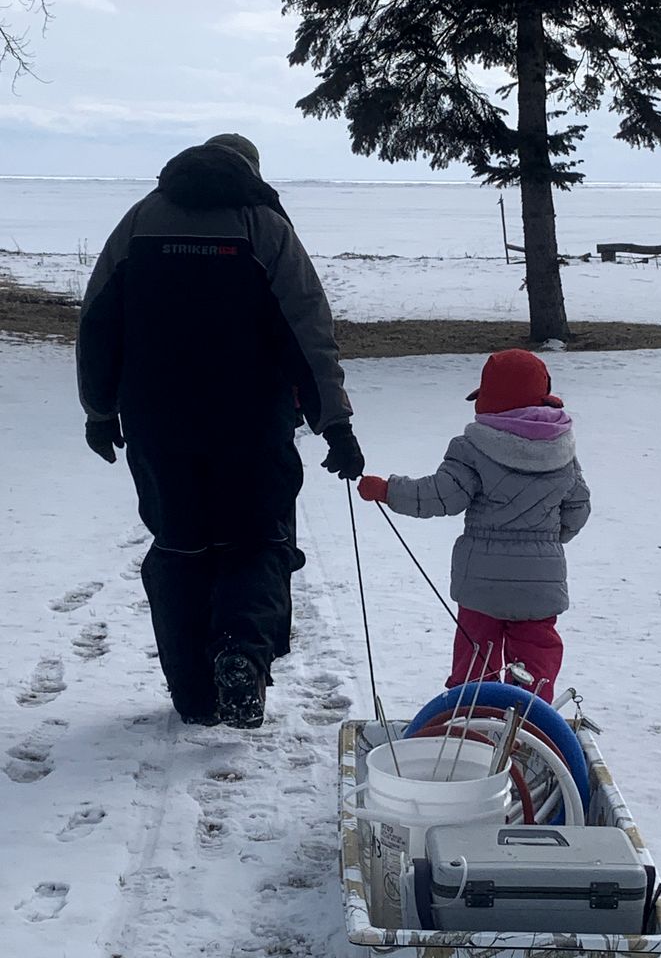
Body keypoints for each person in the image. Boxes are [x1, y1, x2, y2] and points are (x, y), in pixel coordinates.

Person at [77, 134, 364, 728]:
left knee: (179, 544)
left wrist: (100, 410)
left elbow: (98, 321)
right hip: (251, 422)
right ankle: (241, 653)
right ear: (250, 172)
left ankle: (191, 694)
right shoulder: (265, 227)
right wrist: (334, 423)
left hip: (158, 423)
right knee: (257, 541)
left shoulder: (138, 223)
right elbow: (309, 328)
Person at [357, 349, 590, 703]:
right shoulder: (561, 450)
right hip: (541, 585)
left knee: (475, 659)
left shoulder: (473, 448)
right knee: (536, 660)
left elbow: (441, 495)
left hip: (481, 584)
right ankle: (530, 721)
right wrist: (546, 541)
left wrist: (388, 491)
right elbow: (578, 509)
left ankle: (470, 720)